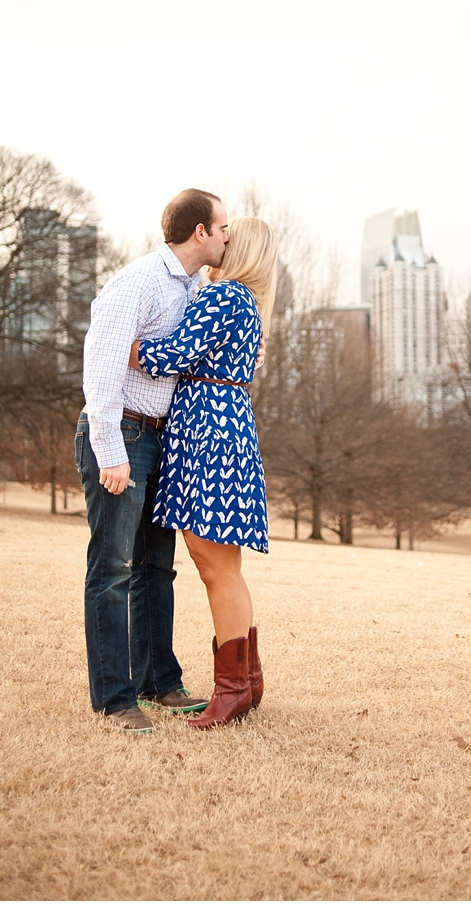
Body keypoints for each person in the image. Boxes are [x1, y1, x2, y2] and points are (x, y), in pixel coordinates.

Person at [77, 188, 228, 733]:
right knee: (113, 568)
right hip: (122, 432)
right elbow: (100, 372)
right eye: (223, 227)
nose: (228, 236)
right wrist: (111, 453)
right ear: (200, 233)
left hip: (163, 437)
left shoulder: (195, 288)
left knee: (156, 569)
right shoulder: (137, 282)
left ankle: (159, 682)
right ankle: (116, 699)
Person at [131, 216, 277, 729]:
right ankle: (247, 682)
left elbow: (174, 353)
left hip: (208, 431)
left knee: (214, 564)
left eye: (227, 237)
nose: (218, 241)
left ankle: (233, 689)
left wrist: (123, 346)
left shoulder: (225, 297)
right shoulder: (247, 304)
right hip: (224, 424)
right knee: (224, 565)